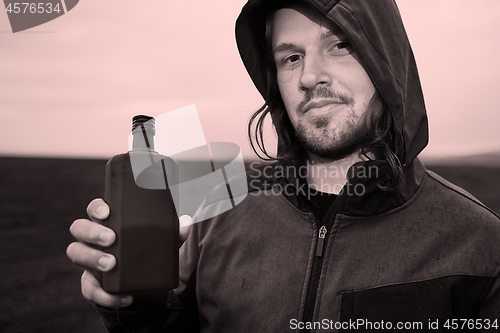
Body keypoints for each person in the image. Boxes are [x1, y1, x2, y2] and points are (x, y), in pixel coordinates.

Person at [67, 0, 500, 332]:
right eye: (290, 57)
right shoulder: (219, 209)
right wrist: (131, 308)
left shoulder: (480, 245)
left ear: (387, 62)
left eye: (341, 45)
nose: (310, 76)